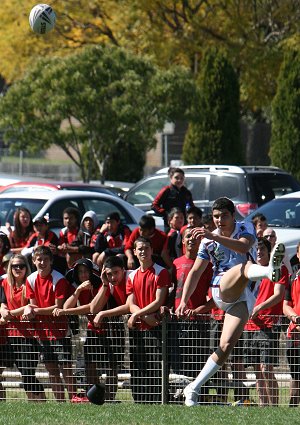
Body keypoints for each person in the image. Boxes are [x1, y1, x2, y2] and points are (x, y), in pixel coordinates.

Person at [175, 197, 285, 406]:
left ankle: (193, 388)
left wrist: (211, 236)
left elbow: (243, 247)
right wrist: (183, 301)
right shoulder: (208, 240)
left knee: (225, 346)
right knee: (243, 268)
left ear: (233, 215)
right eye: (216, 216)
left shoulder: (245, 227)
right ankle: (269, 271)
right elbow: (195, 272)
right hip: (221, 289)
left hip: (245, 296)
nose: (219, 220)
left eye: (224, 215)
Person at [22, 245, 77, 402]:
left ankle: (74, 400)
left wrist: (34, 311)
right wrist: (31, 310)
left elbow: (57, 307)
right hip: (42, 332)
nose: (42, 262)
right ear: (33, 261)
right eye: (39, 259)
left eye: (46, 259)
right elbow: (33, 305)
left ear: (51, 261)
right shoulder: (31, 279)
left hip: (60, 330)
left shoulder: (58, 279)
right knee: (51, 370)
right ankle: (60, 402)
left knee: (66, 368)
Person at [52, 258, 105, 402]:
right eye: (80, 272)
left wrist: (64, 312)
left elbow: (91, 307)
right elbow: (67, 307)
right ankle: (92, 397)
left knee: (110, 368)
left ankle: (107, 398)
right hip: (92, 329)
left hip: (108, 328)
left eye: (86, 271)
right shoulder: (78, 287)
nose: (83, 275)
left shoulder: (101, 285)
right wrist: (78, 290)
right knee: (88, 364)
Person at [243, 237, 288, 406]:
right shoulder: (251, 270)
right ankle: (263, 407)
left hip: (268, 324)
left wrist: (259, 308)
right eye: (257, 250)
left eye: (262, 249)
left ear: (270, 252)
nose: (259, 252)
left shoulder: (279, 269)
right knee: (256, 370)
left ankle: (274, 407)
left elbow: (278, 295)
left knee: (266, 368)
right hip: (250, 324)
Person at [126, 236, 171, 403]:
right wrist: (142, 316)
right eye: (140, 248)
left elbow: (159, 301)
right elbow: (131, 303)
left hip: (157, 327)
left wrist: (137, 314)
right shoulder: (131, 276)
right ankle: (140, 401)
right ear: (135, 252)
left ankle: (158, 401)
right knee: (138, 366)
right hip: (139, 327)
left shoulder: (161, 272)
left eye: (146, 248)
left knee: (156, 366)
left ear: (152, 250)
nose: (143, 251)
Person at [171, 227, 213, 403]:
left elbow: (215, 298)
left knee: (198, 362)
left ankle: (198, 398)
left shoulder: (207, 265)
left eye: (195, 237)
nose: (191, 240)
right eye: (188, 236)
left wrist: (198, 310)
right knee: (178, 363)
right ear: (182, 241)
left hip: (199, 322)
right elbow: (170, 294)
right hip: (176, 322)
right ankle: (177, 399)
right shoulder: (175, 264)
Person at [0, 254, 46, 401]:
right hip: (11, 336)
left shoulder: (30, 283)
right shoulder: (5, 283)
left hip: (29, 336)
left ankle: (41, 402)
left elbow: (31, 306)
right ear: (10, 268)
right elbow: (3, 303)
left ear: (27, 267)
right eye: (15, 266)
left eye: (21, 266)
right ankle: (31, 403)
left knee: (28, 373)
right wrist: (3, 311)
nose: (18, 268)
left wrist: (9, 314)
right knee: (22, 373)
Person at [283, 241, 300, 407]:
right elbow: (285, 305)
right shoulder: (292, 277)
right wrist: (295, 317)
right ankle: (292, 409)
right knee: (296, 375)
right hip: (296, 333)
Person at [152, 167, 194, 231]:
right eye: (176, 178)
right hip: (170, 225)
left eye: (181, 178)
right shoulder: (166, 190)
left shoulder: (186, 192)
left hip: (183, 224)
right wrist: (167, 214)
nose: (179, 180)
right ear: (171, 178)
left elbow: (192, 207)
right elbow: (154, 205)